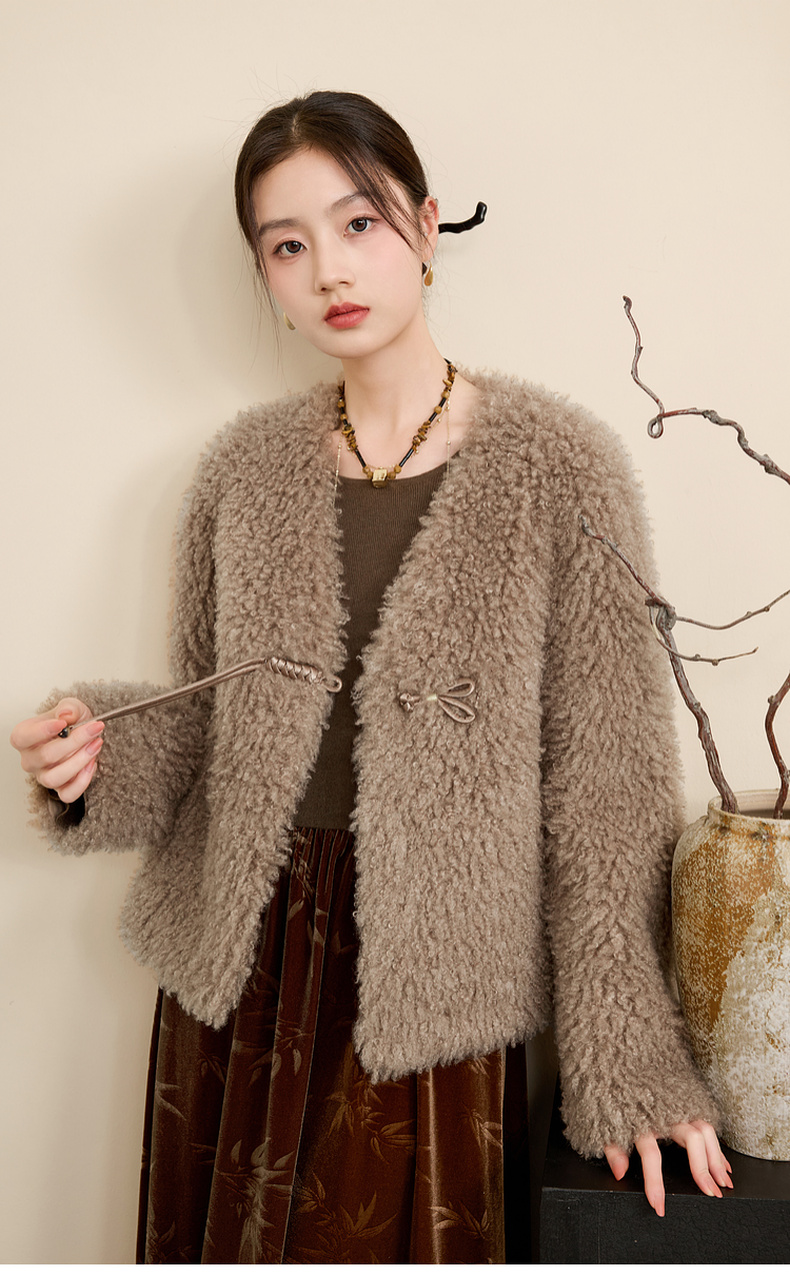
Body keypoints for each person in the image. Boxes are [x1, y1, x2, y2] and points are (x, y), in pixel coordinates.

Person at [11, 90, 731, 1263]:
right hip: (244, 967)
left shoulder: (560, 468)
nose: (329, 269)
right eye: (286, 246)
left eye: (358, 223)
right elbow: (210, 726)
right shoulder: (242, 472)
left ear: (426, 226)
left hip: (439, 981)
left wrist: (627, 1058)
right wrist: (94, 751)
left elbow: (610, 790)